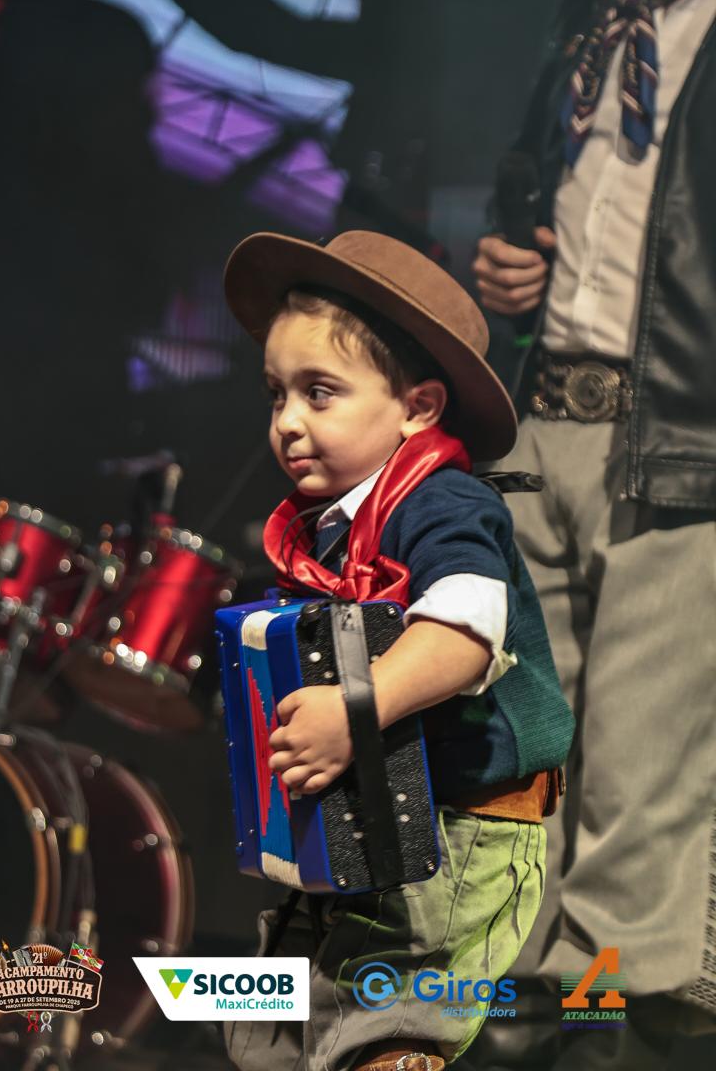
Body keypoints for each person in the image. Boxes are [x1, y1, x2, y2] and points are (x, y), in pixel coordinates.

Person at [221, 229, 574, 1071]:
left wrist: (353, 712)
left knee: (384, 1030)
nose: (289, 423)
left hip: (460, 832)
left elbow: (464, 632)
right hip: (370, 827)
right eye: (276, 395)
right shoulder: (330, 526)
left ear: (417, 407)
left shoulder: (443, 504)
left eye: (320, 392)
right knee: (275, 1033)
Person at [471, 0, 716, 1069]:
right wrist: (509, 268)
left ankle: (608, 1029)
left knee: (634, 773)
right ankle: (514, 1005)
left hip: (678, 423)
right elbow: (541, 182)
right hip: (544, 410)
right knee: (521, 738)